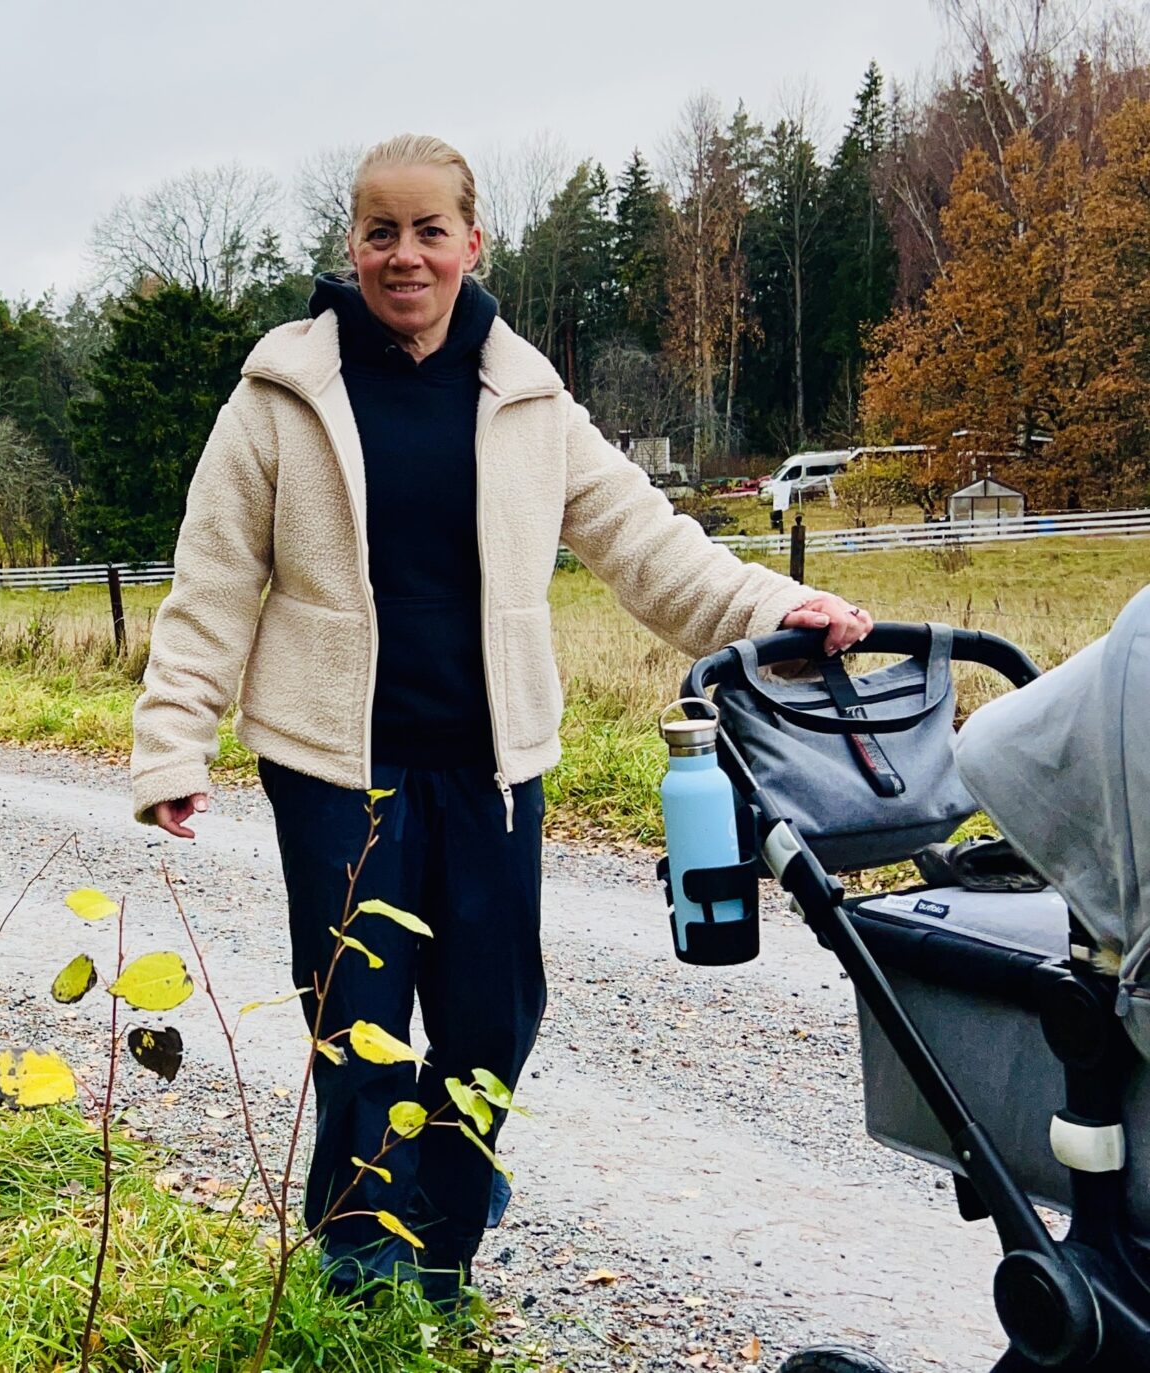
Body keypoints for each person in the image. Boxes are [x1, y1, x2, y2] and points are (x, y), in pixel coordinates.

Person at [128, 134, 873, 1312]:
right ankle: (364, 1273)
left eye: (429, 231)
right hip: (335, 768)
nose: (404, 255)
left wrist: (777, 609)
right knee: (357, 1021)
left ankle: (444, 1231)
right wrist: (175, 738)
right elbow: (212, 577)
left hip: (491, 766)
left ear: (472, 242)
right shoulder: (279, 394)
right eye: (380, 231)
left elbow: (645, 543)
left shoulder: (523, 396)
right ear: (351, 245)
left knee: (491, 1017)